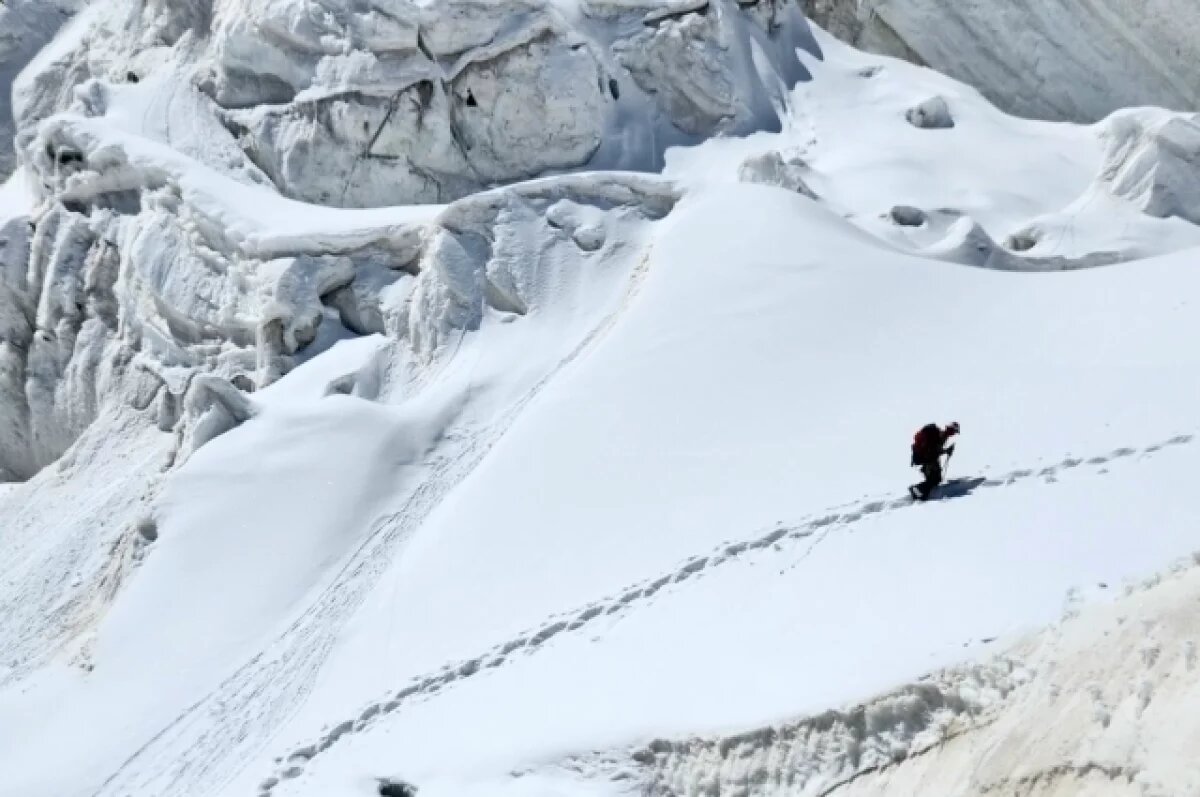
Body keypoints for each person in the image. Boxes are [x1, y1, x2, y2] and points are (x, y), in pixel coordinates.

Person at [909, 421, 960, 500]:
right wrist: (946, 451)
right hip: (926, 459)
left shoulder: (940, 435)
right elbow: (934, 451)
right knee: (934, 479)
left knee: (935, 479)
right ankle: (917, 490)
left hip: (925, 459)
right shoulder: (939, 435)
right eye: (954, 431)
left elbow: (935, 451)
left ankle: (920, 493)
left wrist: (945, 451)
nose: (953, 434)